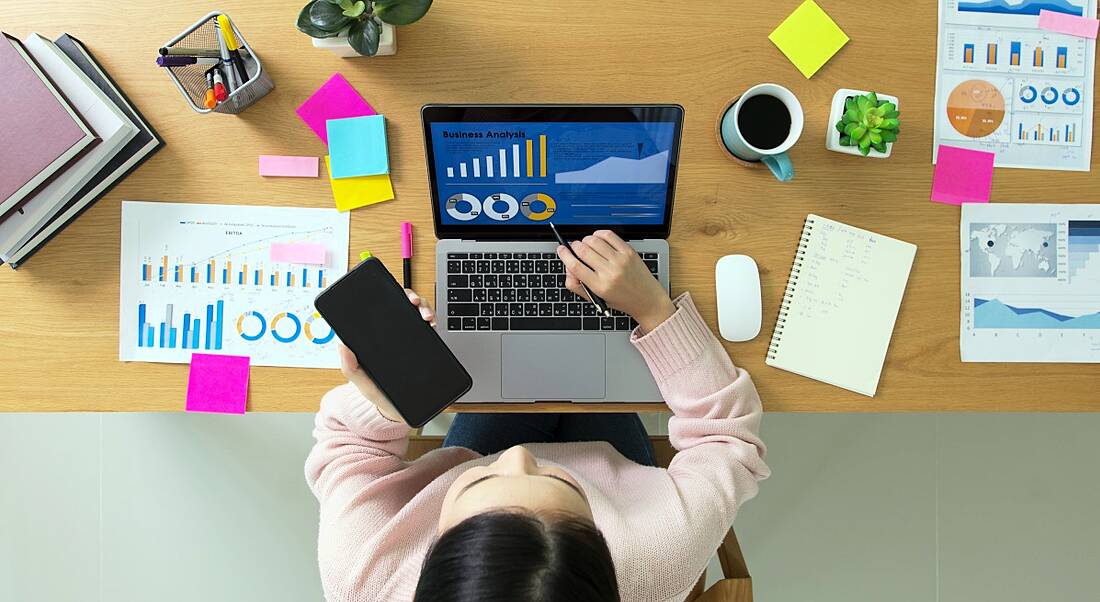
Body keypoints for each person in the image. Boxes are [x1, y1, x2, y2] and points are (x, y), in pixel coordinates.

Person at [305, 230, 770, 602]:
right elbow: (726, 442)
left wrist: (389, 399)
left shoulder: (363, 577)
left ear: (431, 553)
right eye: (567, 485)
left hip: (476, 457)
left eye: (482, 482)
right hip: (625, 485)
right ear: (605, 552)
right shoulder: (658, 559)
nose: (517, 456)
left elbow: (349, 448)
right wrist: (653, 309)